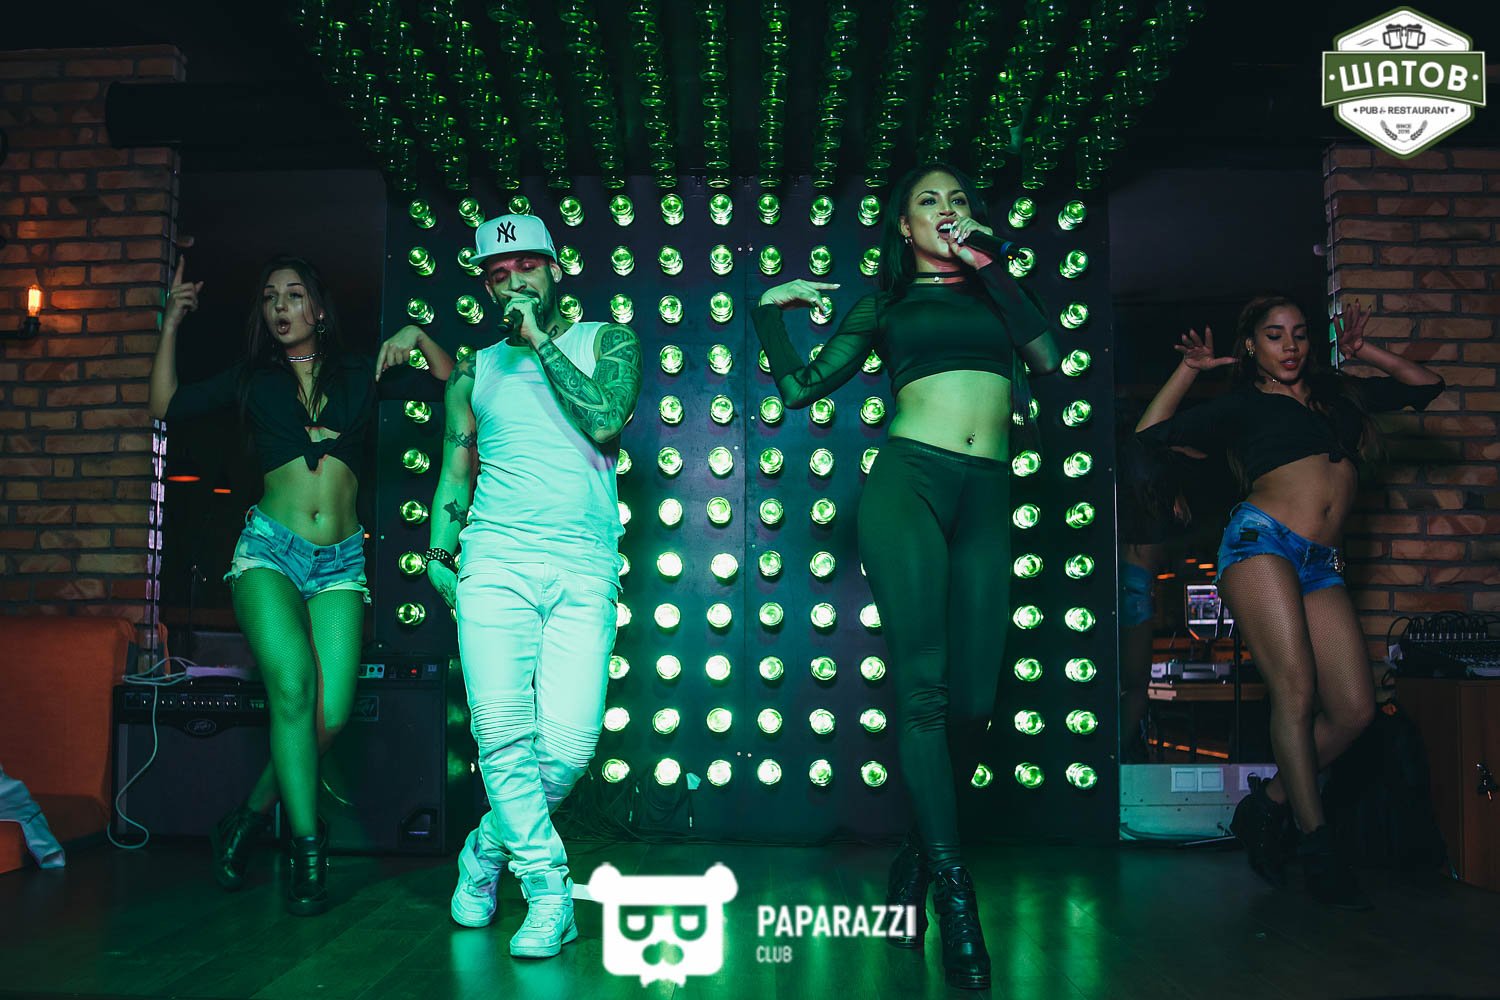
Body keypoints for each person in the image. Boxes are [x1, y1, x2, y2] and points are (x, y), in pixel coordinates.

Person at [752, 162, 1062, 990]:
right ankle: (955, 894)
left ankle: (917, 856)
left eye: (959, 200)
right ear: (903, 226)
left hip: (987, 495)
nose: (946, 210)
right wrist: (767, 313)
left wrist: (991, 263)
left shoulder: (997, 293)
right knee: (925, 692)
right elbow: (799, 389)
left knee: (976, 703)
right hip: (909, 486)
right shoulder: (885, 304)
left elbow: (1048, 358)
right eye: (929, 201)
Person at [147, 254, 452, 915]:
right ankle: (307, 849)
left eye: (292, 295)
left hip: (339, 562)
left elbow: (453, 383)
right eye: (269, 298)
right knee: (293, 686)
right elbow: (164, 405)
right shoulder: (252, 379)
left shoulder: (361, 374)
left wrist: (419, 337)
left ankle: (247, 816)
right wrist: (170, 323)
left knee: (330, 716)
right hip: (269, 553)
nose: (279, 307)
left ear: (317, 308)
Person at [1136, 297, 1444, 909]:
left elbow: (1425, 386)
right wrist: (1189, 371)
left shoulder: (1337, 398)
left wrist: (1364, 351)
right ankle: (1317, 844)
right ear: (1251, 345)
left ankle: (1268, 804)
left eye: (1300, 334)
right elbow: (1148, 437)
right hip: (1262, 543)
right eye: (1274, 335)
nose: (1291, 346)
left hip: (1320, 564)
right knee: (1295, 692)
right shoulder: (1243, 406)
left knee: (1355, 711)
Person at [423, 214, 641, 959]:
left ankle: (486, 848)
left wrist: (541, 341)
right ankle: (549, 892)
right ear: (486, 288)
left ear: (556, 270)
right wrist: (439, 554)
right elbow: (457, 467)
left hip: (584, 563)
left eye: (526, 266)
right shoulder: (472, 371)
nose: (513, 280)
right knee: (503, 736)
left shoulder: (607, 341)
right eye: (497, 273)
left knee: (570, 748)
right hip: (495, 561)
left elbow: (606, 422)